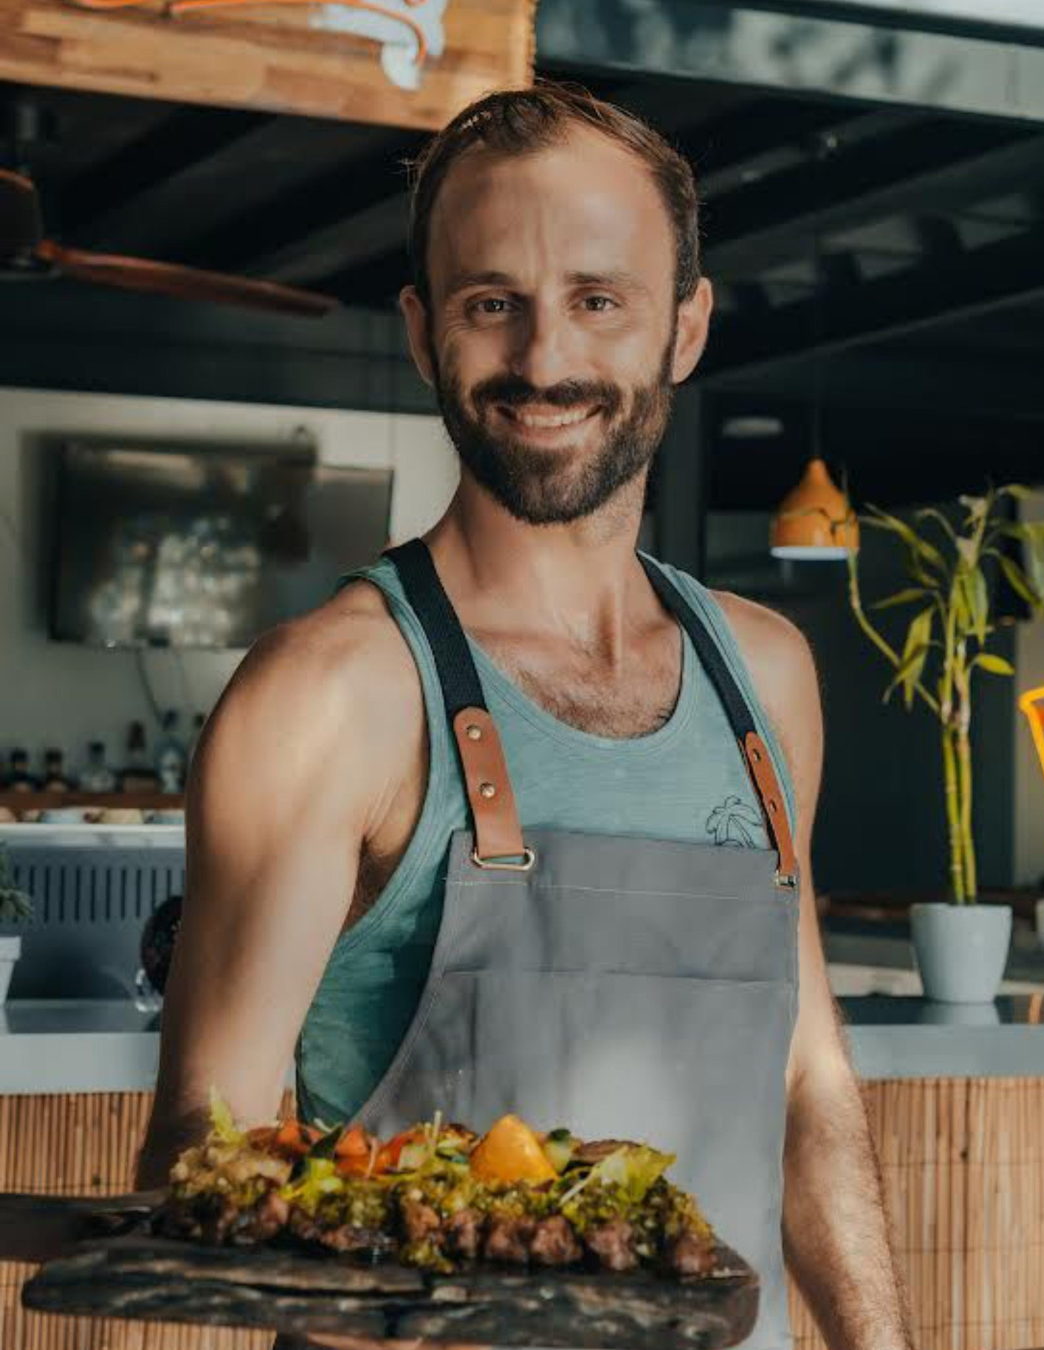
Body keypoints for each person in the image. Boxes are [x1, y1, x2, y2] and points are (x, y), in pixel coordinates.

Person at [138, 84, 913, 1350]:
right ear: (422, 329)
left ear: (686, 326)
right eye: (491, 302)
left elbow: (807, 1079)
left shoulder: (764, 675)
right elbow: (194, 1154)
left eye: (599, 300)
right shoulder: (331, 694)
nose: (545, 359)